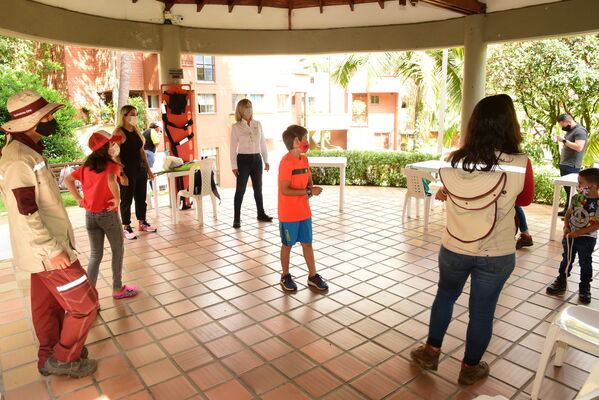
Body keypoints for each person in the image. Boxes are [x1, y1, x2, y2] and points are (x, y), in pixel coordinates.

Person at [409, 94, 534, 386]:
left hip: (454, 246)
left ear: (474, 124)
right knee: (483, 311)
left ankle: (431, 352)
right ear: (510, 125)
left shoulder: (454, 160)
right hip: (497, 252)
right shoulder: (520, 163)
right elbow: (525, 199)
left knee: (445, 296)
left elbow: (448, 192)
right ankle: (469, 368)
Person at [0, 90, 99, 377]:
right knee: (85, 304)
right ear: (31, 121)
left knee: (47, 308)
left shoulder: (27, 151)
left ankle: (48, 357)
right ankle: (65, 358)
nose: (52, 119)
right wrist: (52, 250)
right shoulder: (19, 158)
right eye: (47, 115)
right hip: (47, 250)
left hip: (39, 252)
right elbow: (25, 212)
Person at [64, 130, 139, 299]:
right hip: (108, 215)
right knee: (117, 250)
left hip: (90, 216)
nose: (115, 146)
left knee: (95, 254)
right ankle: (117, 288)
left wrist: (78, 199)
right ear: (104, 148)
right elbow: (111, 181)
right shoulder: (110, 165)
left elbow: (68, 179)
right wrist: (117, 200)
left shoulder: (85, 167)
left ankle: (89, 296)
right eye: (111, 144)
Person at [278, 125, 328, 292]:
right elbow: (285, 189)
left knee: (307, 243)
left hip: (304, 212)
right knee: (287, 245)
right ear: (296, 141)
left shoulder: (305, 160)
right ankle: (285, 276)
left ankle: (312, 276)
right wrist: (307, 191)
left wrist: (310, 189)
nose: (308, 142)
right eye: (306, 139)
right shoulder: (285, 162)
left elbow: (308, 180)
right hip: (289, 214)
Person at [546, 168, 599, 304]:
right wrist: (566, 227)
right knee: (566, 259)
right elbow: (569, 212)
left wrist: (580, 232)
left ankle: (584, 286)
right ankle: (561, 280)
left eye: (580, 183)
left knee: (585, 262)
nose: (578, 186)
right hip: (570, 235)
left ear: (592, 186)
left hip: (587, 238)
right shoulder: (578, 197)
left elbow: (597, 224)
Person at [113, 105, 157, 240]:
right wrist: (121, 173)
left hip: (140, 169)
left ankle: (142, 222)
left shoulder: (136, 130)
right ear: (124, 116)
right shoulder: (118, 132)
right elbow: (115, 154)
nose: (135, 117)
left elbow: (142, 151)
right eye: (132, 114)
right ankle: (126, 226)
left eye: (136, 114)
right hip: (127, 170)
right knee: (126, 199)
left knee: (141, 197)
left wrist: (148, 170)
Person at [230, 99, 272, 229]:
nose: (249, 109)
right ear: (241, 110)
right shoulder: (236, 127)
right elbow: (232, 148)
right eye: (247, 107)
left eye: (251, 106)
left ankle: (261, 213)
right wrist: (234, 166)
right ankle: (237, 218)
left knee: (258, 189)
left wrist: (266, 160)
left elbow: (263, 143)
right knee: (240, 190)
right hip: (243, 160)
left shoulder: (257, 124)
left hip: (256, 159)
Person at [556, 114, 588, 216]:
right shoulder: (570, 131)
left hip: (572, 165)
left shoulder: (580, 131)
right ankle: (567, 211)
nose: (563, 127)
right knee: (567, 190)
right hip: (565, 164)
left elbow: (579, 147)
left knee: (572, 191)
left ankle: (573, 213)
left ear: (569, 122)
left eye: (563, 125)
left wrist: (564, 140)